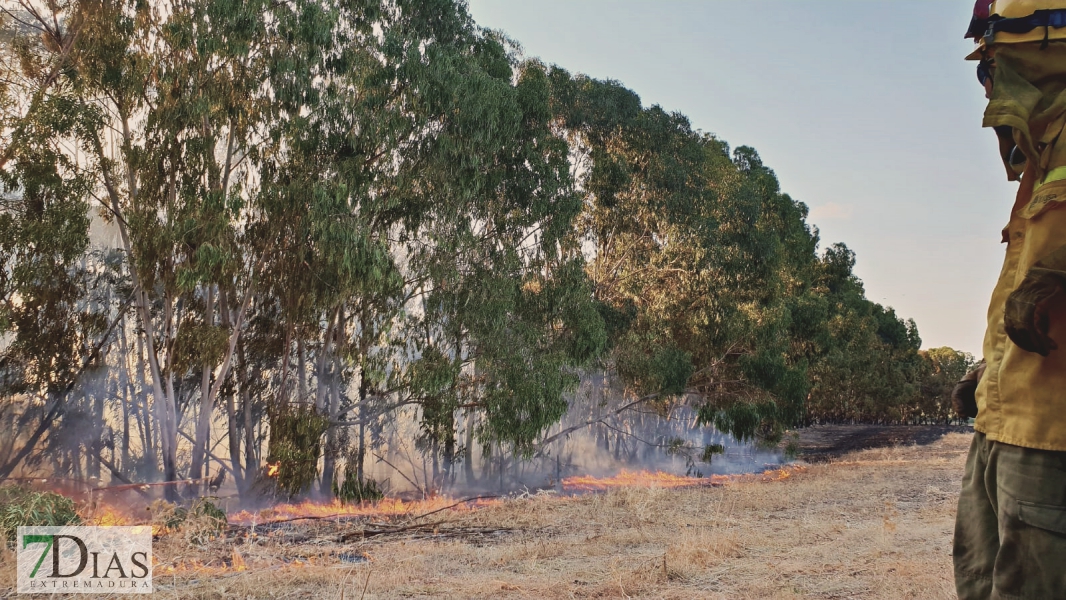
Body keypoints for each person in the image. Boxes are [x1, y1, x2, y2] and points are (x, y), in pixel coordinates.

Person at [952, 1, 1066, 598]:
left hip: (1052, 438)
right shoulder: (1042, 159)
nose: (989, 83)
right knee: (980, 582)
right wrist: (987, 371)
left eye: (995, 62)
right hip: (1002, 422)